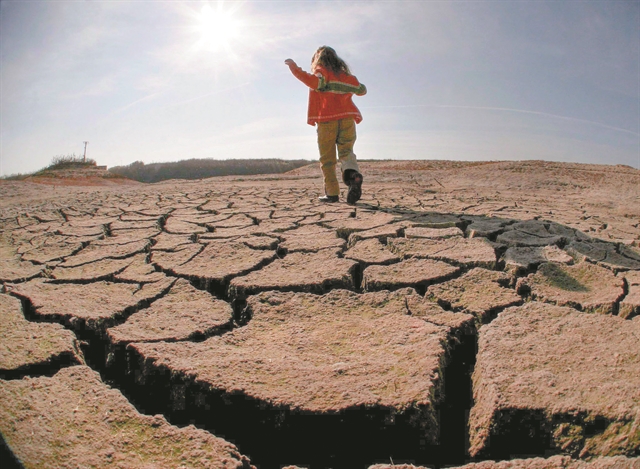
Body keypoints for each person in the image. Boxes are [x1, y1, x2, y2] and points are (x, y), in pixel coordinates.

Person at [285, 46, 367, 204]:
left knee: (327, 159)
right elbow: (361, 90)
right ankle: (353, 176)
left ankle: (332, 193)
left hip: (327, 119)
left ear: (319, 59)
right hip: (347, 119)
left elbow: (313, 82)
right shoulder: (345, 76)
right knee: (346, 152)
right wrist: (348, 83)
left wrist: (295, 69)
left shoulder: (322, 72)